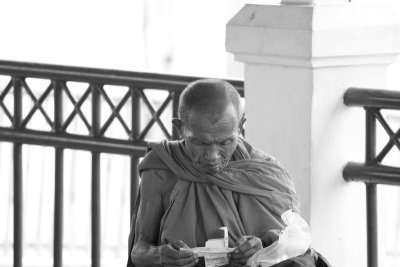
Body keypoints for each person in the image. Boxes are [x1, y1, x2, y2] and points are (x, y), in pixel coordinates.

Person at [127, 79, 325, 267]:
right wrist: (161, 255)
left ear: (240, 127)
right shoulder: (161, 169)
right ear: (180, 128)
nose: (213, 156)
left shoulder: (265, 174)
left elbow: (296, 242)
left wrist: (261, 248)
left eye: (225, 142)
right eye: (200, 142)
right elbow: (139, 251)